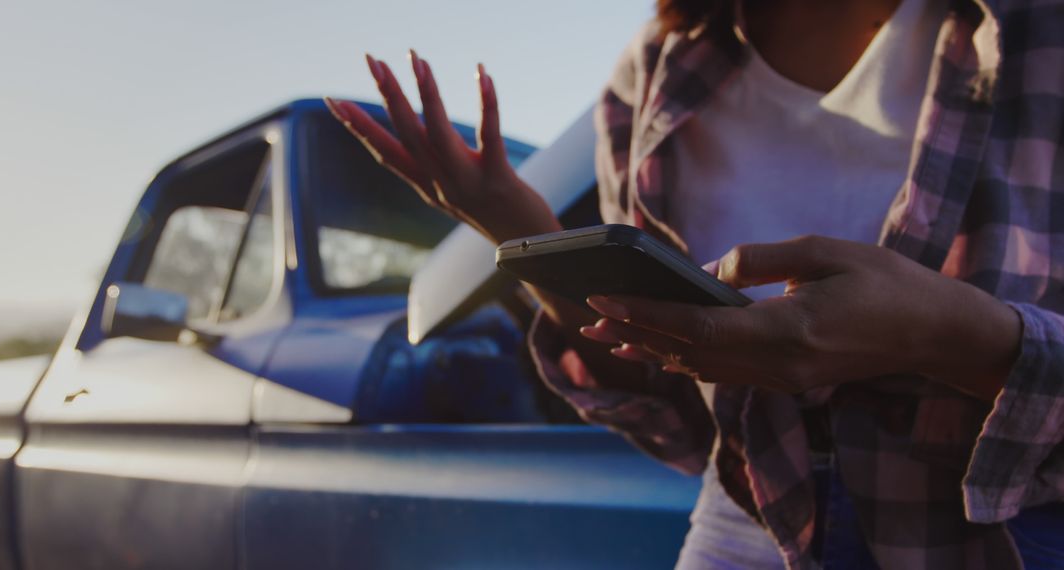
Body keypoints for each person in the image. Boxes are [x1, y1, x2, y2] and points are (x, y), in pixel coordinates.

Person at [324, 0, 1064, 567]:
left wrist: (943, 333)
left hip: (1005, 538)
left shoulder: (1034, 33)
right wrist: (526, 235)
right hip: (744, 528)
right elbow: (676, 410)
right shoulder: (658, 66)